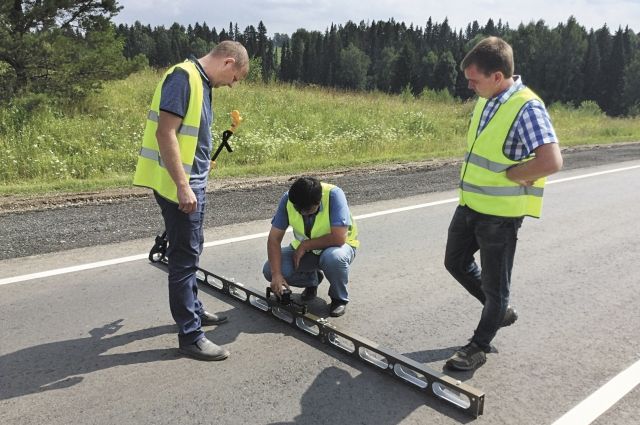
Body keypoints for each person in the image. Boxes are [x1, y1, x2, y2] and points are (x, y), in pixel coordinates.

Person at [443, 36, 563, 371]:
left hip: (500, 217)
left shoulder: (527, 106)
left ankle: (478, 345)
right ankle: (499, 312)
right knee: (454, 262)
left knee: (497, 288)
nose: (469, 85)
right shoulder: (487, 98)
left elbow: (551, 160)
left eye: (474, 79)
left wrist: (516, 175)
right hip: (470, 205)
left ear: (497, 76)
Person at [133, 41, 249, 361]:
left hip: (193, 180)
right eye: (236, 77)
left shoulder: (199, 81)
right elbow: (165, 133)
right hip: (181, 187)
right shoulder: (183, 78)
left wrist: (200, 162)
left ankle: (194, 310)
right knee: (184, 260)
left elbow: (189, 134)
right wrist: (184, 186)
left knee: (192, 249)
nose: (233, 84)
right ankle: (190, 335)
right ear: (228, 63)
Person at [263, 177, 359, 317]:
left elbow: (338, 238)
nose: (302, 213)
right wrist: (276, 274)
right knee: (269, 270)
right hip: (307, 251)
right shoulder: (288, 199)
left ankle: (339, 298)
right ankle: (312, 279)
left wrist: (306, 245)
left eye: (307, 210)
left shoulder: (334, 196)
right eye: (298, 209)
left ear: (318, 201)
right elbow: (274, 239)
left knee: (333, 258)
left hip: (338, 247)